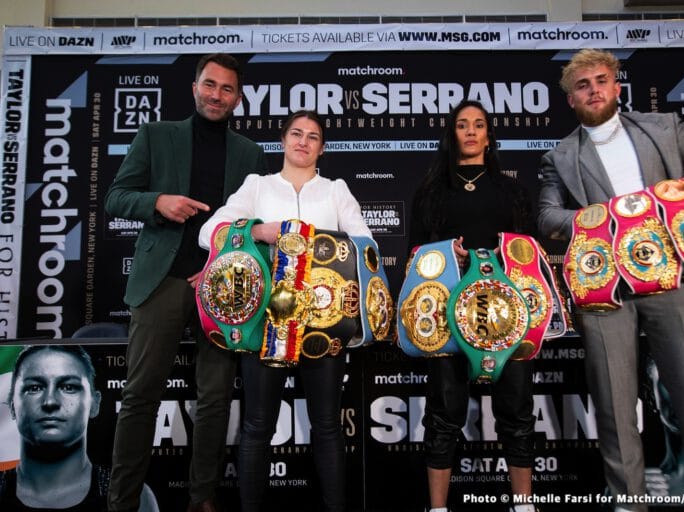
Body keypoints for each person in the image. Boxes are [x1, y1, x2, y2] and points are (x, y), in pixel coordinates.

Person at [538, 48, 684, 511]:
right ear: (571, 99)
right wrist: (598, 219)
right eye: (582, 86)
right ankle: (628, 502)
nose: (593, 90)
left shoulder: (663, 128)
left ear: (616, 85)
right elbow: (548, 216)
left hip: (675, 279)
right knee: (613, 405)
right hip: (605, 289)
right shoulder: (560, 155)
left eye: (601, 80)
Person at [105, 53, 267, 512]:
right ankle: (123, 501)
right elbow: (115, 197)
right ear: (195, 87)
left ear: (238, 97)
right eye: (210, 85)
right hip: (161, 282)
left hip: (221, 289)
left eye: (227, 89)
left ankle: (203, 499)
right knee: (139, 397)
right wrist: (158, 202)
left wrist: (223, 264)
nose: (217, 95)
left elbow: (252, 225)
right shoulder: (156, 136)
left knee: (215, 400)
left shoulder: (251, 154)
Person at [198, 109, 372, 512]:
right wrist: (257, 230)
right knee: (257, 428)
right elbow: (210, 234)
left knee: (327, 427)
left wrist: (326, 247)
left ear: (322, 148)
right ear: (282, 140)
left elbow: (366, 246)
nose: (303, 142)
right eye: (296, 133)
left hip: (324, 323)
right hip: (266, 319)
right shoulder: (256, 186)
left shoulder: (335, 190)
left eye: (313, 137)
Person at [408, 99, 537, 512]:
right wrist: (448, 256)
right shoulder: (430, 191)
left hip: (507, 314)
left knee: (516, 410)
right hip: (445, 313)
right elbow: (416, 258)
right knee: (445, 414)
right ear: (452, 133)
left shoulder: (512, 190)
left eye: (478, 125)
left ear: (488, 135)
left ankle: (523, 505)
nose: (470, 131)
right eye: (462, 124)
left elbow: (527, 254)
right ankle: (439, 508)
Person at [0, 345, 158, 512]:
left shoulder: (130, 495)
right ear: (12, 406)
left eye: (69, 387)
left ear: (95, 403)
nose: (50, 402)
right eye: (34, 388)